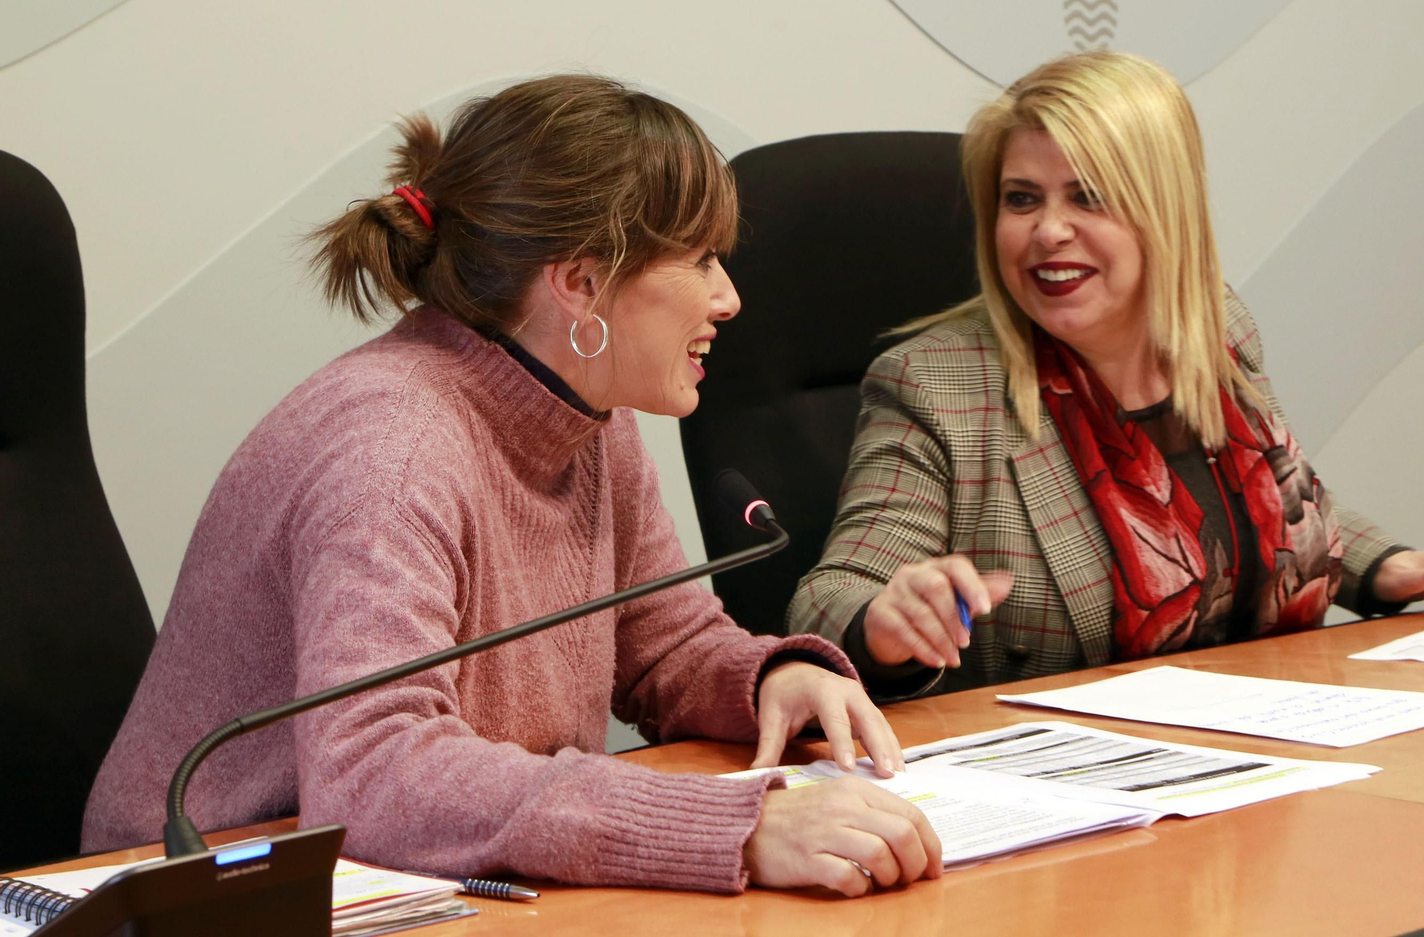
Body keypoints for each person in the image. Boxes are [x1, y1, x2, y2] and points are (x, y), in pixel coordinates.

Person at [84, 75, 940, 897]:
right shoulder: (393, 448)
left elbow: (663, 649)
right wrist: (733, 827)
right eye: (700, 259)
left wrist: (765, 682)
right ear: (579, 283)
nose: (730, 298)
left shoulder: (587, 411)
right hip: (213, 894)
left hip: (408, 880)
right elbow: (377, 772)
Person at [788, 51, 1424, 699]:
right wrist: (884, 620)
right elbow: (831, 596)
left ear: (1163, 212)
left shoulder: (1216, 329)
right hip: (1067, 797)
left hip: (1264, 754)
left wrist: (1385, 569)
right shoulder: (937, 386)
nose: (1048, 230)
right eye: (1022, 199)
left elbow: (1271, 497)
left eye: (1089, 196)